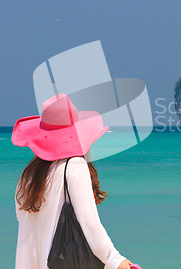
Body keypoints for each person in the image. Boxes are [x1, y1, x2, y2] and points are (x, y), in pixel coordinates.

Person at [12, 94, 132, 269]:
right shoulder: (75, 166)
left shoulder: (28, 176)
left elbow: (22, 219)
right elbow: (90, 224)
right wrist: (116, 260)